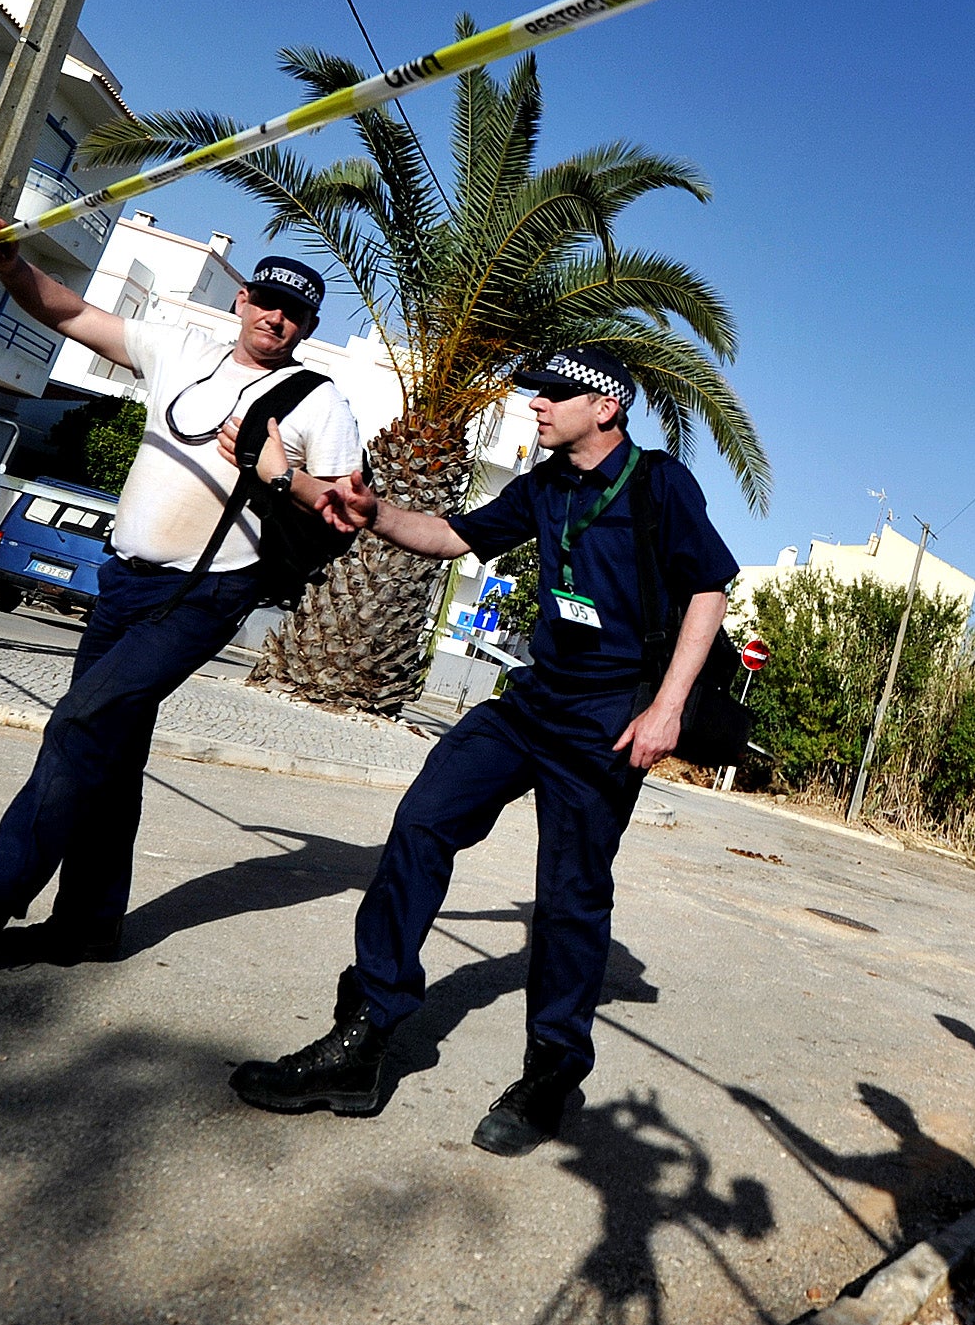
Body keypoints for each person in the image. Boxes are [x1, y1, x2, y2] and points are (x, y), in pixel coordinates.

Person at [229, 346, 737, 1157]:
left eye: (555, 393)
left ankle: (550, 1076)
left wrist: (667, 708)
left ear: (604, 407)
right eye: (535, 391)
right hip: (534, 698)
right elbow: (454, 534)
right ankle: (363, 1033)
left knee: (570, 896)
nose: (536, 404)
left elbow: (709, 587)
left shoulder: (659, 483)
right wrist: (377, 514)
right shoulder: (544, 485)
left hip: (610, 717)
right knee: (425, 818)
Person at [0, 225, 359, 979]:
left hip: (206, 593)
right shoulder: (181, 351)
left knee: (80, 722)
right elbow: (71, 314)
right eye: (265, 301)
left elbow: (343, 510)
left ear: (309, 327)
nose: (275, 318)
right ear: (242, 298)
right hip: (124, 580)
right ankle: (88, 925)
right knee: (112, 750)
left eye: (293, 313)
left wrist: (278, 473)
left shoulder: (318, 401)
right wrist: (9, 264)